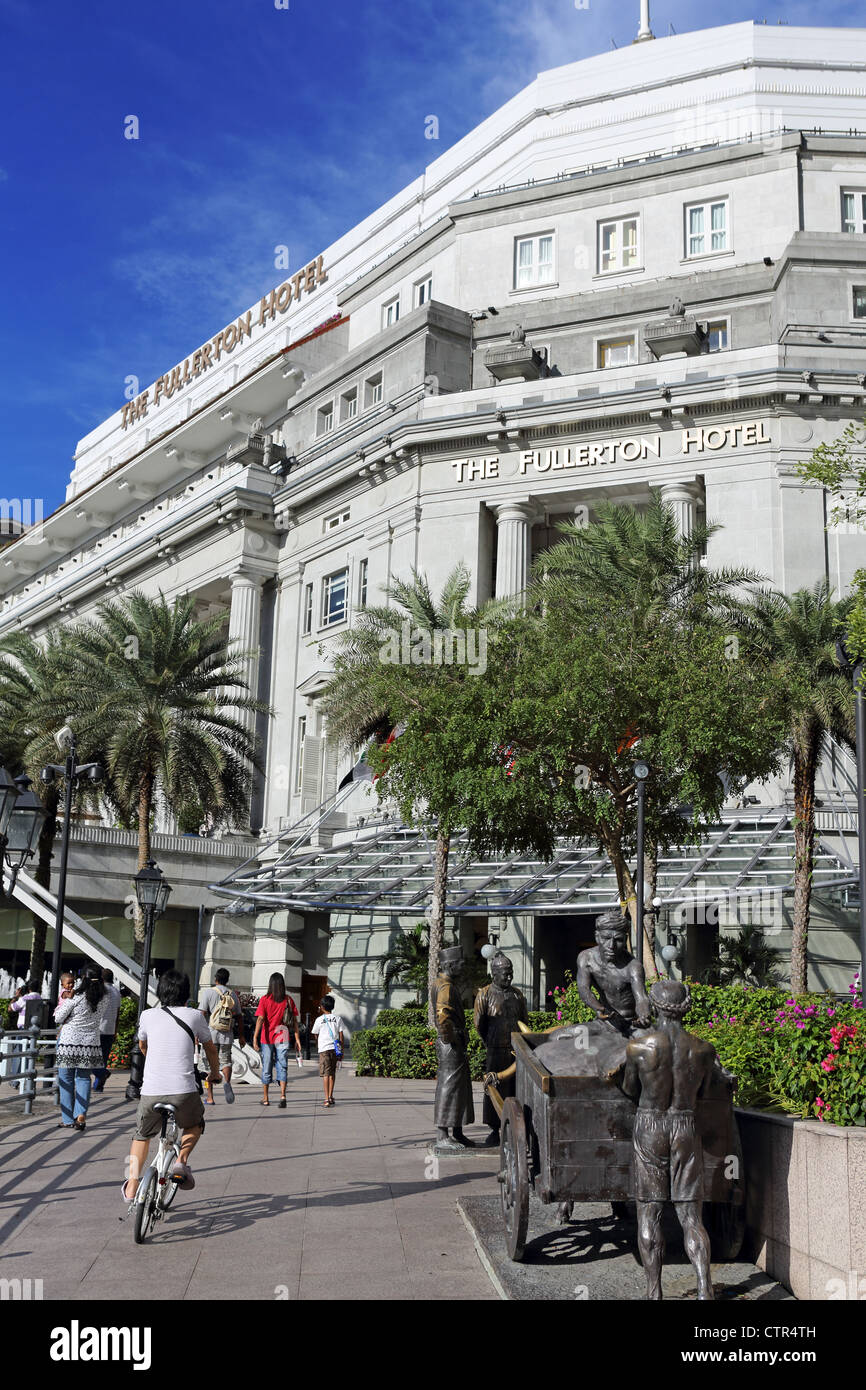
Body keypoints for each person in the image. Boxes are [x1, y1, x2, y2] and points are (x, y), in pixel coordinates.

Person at [622, 980, 716, 1301]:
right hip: (685, 1124)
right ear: (686, 1006)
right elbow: (704, 1093)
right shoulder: (703, 1050)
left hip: (650, 1123)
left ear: (656, 1005)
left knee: (649, 1210)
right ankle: (704, 1289)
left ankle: (654, 1292)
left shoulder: (638, 1047)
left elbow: (629, 1089)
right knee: (691, 1214)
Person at [123, 969, 221, 1203]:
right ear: (186, 993)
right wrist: (215, 1073)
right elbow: (210, 1048)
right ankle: (181, 1162)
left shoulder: (147, 1015)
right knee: (195, 1124)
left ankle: (131, 1187)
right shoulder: (195, 1016)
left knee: (140, 1136)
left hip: (151, 1090)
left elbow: (143, 1046)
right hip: (183, 1091)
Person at [473, 951, 528, 1145]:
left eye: (510, 972)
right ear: (494, 974)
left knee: (515, 1088)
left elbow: (524, 1021)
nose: (509, 976)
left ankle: (516, 1126)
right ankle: (494, 1129)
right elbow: (479, 1024)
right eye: (505, 973)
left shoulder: (517, 994)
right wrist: (490, 1040)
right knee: (494, 1088)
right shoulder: (485, 994)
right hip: (495, 1049)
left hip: (515, 1051)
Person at [576, 909, 651, 1036]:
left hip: (631, 1025)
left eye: (618, 940)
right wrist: (599, 1008)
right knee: (559, 1037)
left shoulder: (633, 966)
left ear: (625, 939)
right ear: (597, 937)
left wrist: (644, 1014)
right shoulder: (586, 958)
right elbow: (584, 989)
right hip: (605, 1023)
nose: (611, 945)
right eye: (606, 938)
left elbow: (641, 998)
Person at [54, 965, 110, 1131]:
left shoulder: (76, 996)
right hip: (90, 1043)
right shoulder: (104, 997)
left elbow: (58, 1017)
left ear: (84, 978)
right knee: (84, 1078)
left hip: (69, 1043)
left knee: (66, 1079)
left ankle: (67, 1118)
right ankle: (81, 1115)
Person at [431, 946, 475, 1151]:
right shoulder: (445, 987)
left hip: (453, 1042)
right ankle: (442, 1134)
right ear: (449, 965)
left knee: (460, 1086)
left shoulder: (445, 983)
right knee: (448, 1087)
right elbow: (442, 1015)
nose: (463, 965)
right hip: (451, 1043)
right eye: (460, 962)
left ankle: (457, 1131)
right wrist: (451, 1038)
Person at [198, 967, 246, 1105]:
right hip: (227, 1034)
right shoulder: (233, 995)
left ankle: (210, 1097)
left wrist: (197, 1033)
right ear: (227, 980)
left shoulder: (208, 993)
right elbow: (239, 1017)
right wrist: (241, 1036)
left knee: (208, 1064)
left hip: (210, 1034)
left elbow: (201, 1015)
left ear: (216, 979)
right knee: (226, 1060)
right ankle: (227, 1082)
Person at [253, 973, 301, 1108]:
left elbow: (260, 1019)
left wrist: (255, 1037)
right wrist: (297, 1039)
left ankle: (266, 1098)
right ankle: (283, 1095)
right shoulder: (288, 1000)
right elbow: (295, 1021)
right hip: (282, 1034)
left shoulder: (265, 999)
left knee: (267, 1066)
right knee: (282, 1065)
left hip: (267, 1036)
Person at [92, 967, 122, 1092]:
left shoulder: (100, 990)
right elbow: (118, 1013)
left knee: (91, 1058)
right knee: (103, 1059)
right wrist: (115, 1030)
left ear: (101, 978)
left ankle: (102, 1073)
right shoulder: (116, 992)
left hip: (98, 1029)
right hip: (110, 1029)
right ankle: (98, 1086)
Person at [311, 995, 344, 1108]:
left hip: (324, 1049)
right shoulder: (337, 1018)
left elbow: (315, 1033)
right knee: (332, 1073)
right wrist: (341, 1049)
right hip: (335, 1049)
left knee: (325, 1074)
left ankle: (326, 1099)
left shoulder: (319, 1019)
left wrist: (318, 1042)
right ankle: (330, 1096)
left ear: (322, 1006)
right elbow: (341, 1035)